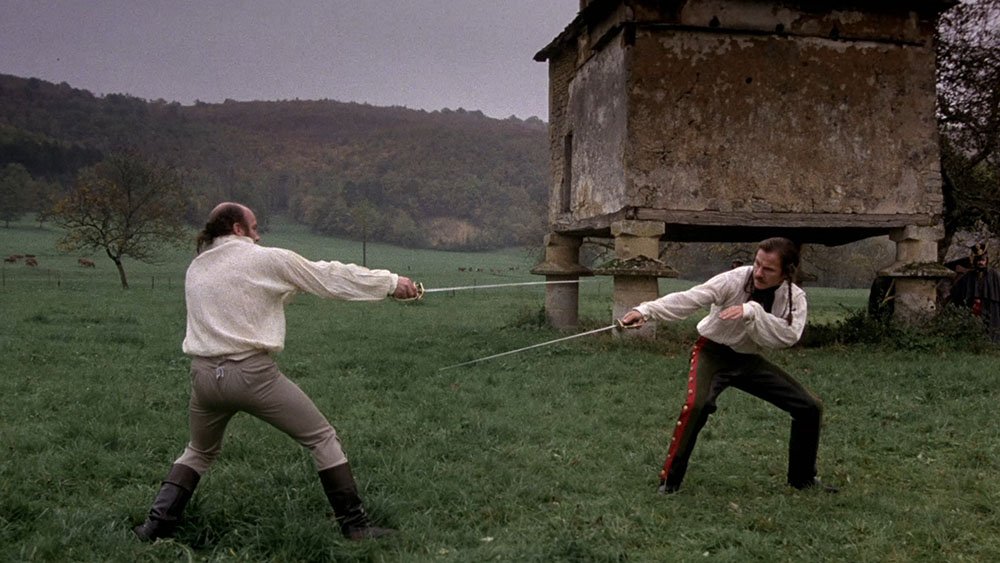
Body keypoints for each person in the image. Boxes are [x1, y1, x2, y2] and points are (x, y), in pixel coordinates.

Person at [133, 202, 419, 542]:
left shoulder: (197, 267)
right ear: (237, 229)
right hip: (252, 376)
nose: (258, 234)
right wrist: (389, 283)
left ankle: (155, 528)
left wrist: (289, 286)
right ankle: (355, 526)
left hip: (204, 380)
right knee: (322, 438)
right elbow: (328, 276)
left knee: (199, 451)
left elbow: (248, 298)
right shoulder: (265, 258)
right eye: (254, 227)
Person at [619, 237, 835, 494]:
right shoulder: (734, 280)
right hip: (712, 352)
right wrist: (645, 311)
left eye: (768, 269)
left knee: (809, 407)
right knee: (696, 406)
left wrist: (751, 311)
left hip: (748, 360)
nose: (758, 273)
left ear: (786, 273)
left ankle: (803, 479)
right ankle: (669, 483)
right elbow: (691, 298)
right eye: (757, 264)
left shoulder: (794, 298)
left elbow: (787, 336)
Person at [948, 242, 1000, 342]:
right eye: (978, 260)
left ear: (987, 260)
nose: (981, 263)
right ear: (975, 261)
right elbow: (956, 291)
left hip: (989, 307)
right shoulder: (968, 276)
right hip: (973, 308)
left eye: (983, 260)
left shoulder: (994, 275)